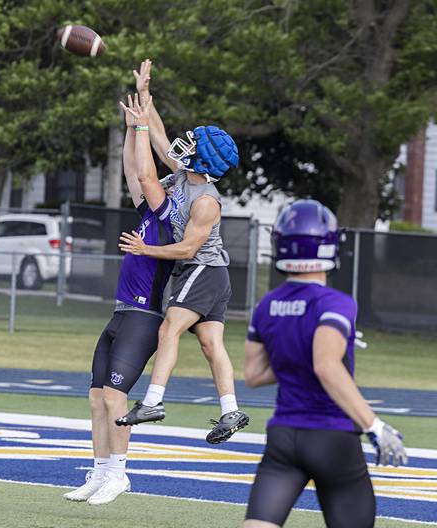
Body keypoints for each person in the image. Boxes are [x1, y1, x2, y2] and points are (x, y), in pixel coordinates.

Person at [243, 199, 406, 527]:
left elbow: (254, 375)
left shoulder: (267, 304)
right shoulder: (336, 302)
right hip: (331, 436)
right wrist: (374, 425)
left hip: (284, 435)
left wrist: (295, 349)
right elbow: (326, 366)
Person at [115, 59, 248, 444]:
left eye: (193, 143)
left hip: (202, 270)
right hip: (211, 273)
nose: (184, 142)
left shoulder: (206, 201)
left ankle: (153, 401)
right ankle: (230, 411)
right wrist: (144, 95)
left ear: (202, 159)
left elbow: (189, 247)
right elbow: (155, 132)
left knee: (169, 327)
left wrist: (144, 249)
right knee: (210, 343)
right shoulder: (186, 172)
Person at [64, 92, 176, 506]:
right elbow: (135, 171)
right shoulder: (149, 211)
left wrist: (145, 126)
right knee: (97, 398)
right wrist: (132, 129)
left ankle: (119, 474)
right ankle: (100, 471)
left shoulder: (170, 215)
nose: (153, 184)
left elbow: (146, 175)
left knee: (115, 397)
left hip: (145, 316)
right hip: (120, 312)